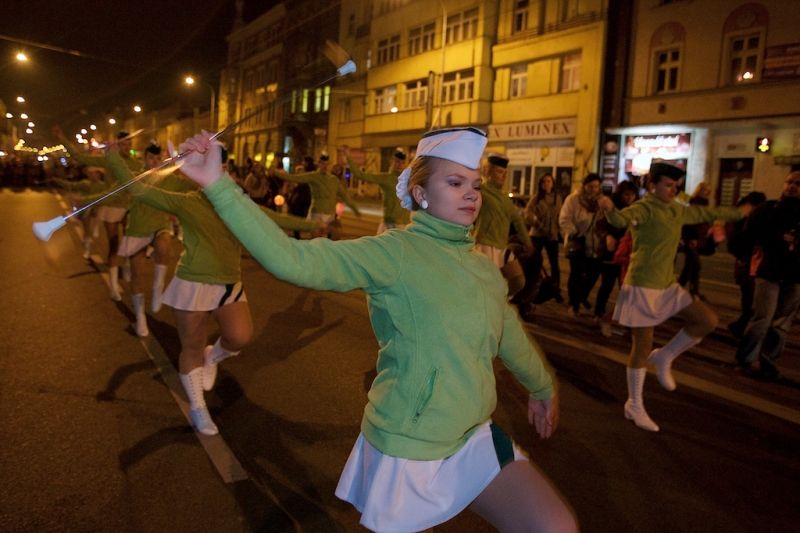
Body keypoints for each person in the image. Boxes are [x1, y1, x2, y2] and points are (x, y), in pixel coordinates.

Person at [178, 127, 577, 533]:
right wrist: (217, 183)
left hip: (473, 436)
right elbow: (292, 260)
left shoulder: (482, 269)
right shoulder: (393, 252)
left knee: (555, 526)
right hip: (409, 446)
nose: (472, 193)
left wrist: (543, 388)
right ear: (421, 195)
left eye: (474, 184)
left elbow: (511, 337)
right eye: (455, 183)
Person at [106, 145, 319, 436]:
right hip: (192, 283)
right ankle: (198, 408)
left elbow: (270, 217)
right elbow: (142, 191)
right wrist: (113, 156)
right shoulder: (186, 201)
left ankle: (213, 357)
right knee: (191, 346)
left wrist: (309, 224)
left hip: (229, 282)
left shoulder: (235, 202)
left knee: (239, 336)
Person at [598, 162, 745, 432]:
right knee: (641, 347)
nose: (673, 190)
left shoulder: (677, 209)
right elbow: (620, 220)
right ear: (653, 185)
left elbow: (704, 212)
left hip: (667, 284)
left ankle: (665, 356)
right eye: (668, 185)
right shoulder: (644, 208)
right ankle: (634, 404)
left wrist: (739, 213)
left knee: (706, 320)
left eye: (676, 186)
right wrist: (609, 209)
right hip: (642, 286)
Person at [114, 142, 194, 336]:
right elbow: (113, 190)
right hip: (138, 230)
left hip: (160, 226)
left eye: (158, 158)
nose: (155, 162)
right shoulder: (137, 178)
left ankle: (158, 287)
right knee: (137, 275)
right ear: (144, 159)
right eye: (151, 158)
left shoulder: (169, 178)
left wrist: (189, 167)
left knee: (165, 245)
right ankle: (140, 317)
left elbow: (191, 185)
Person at [55, 127, 143, 300]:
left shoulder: (137, 164)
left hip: (130, 207)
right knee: (114, 245)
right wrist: (61, 137)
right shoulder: (109, 160)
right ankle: (113, 285)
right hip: (111, 206)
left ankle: (125, 266)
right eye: (124, 143)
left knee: (130, 243)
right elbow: (79, 157)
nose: (127, 146)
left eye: (129, 143)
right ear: (117, 145)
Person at [734, 172, 800, 379]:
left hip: (795, 275)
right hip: (769, 271)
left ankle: (768, 362)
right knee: (763, 318)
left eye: (797, 184)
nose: (792, 186)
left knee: (781, 324)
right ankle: (745, 359)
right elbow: (750, 233)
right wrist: (780, 239)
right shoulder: (769, 209)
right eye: (789, 182)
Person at [474, 154, 534, 286]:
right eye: (500, 172)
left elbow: (517, 221)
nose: (504, 176)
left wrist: (527, 243)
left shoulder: (505, 198)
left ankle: (500, 302)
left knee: (518, 281)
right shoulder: (480, 191)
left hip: (502, 248)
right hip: (484, 246)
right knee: (488, 286)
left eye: (505, 173)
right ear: (488, 172)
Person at [278, 151, 361, 237]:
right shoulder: (313, 176)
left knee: (332, 240)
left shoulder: (334, 180)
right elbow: (295, 178)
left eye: (327, 164)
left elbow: (344, 196)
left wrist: (355, 209)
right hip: (317, 214)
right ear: (319, 164)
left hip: (330, 215)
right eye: (323, 164)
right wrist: (279, 174)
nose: (325, 166)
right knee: (316, 241)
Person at [593, 180, 639, 336]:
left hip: (627, 253)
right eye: (626, 194)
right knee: (607, 284)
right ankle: (599, 312)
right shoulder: (611, 205)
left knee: (625, 289)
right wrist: (607, 236)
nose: (629, 198)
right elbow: (599, 225)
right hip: (609, 251)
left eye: (632, 195)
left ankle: (625, 320)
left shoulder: (637, 208)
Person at [559, 173, 603, 317]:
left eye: (596, 186)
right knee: (576, 274)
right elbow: (564, 218)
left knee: (593, 274)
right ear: (584, 185)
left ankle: (582, 296)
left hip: (595, 244)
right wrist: (574, 232)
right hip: (578, 243)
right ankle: (574, 303)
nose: (593, 189)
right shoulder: (573, 199)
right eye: (590, 186)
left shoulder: (601, 202)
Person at [726, 191, 768, 338]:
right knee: (750, 302)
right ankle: (740, 329)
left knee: (751, 302)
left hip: (753, 265)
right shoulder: (743, 220)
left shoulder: (756, 219)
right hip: (746, 265)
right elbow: (734, 244)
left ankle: (740, 327)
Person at [344, 146, 410, 234]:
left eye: (402, 162)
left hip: (403, 225)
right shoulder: (386, 178)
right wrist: (348, 156)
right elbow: (360, 175)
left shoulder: (411, 179)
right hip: (388, 224)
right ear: (392, 162)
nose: (400, 164)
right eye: (397, 161)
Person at [524, 173, 564, 304]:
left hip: (552, 235)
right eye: (544, 182)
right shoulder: (536, 198)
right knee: (535, 262)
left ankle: (555, 289)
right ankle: (533, 287)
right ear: (541, 184)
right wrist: (537, 223)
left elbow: (561, 216)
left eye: (549, 181)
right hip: (538, 235)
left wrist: (560, 231)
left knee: (554, 263)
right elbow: (528, 213)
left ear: (553, 183)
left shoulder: (558, 198)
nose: (546, 184)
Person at [678, 182, 713, 298]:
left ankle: (692, 290)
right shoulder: (695, 203)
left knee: (691, 266)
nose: (706, 192)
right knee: (694, 265)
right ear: (699, 190)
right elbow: (690, 222)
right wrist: (692, 237)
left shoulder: (703, 204)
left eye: (708, 190)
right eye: (704, 190)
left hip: (698, 238)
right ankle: (683, 289)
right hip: (691, 238)